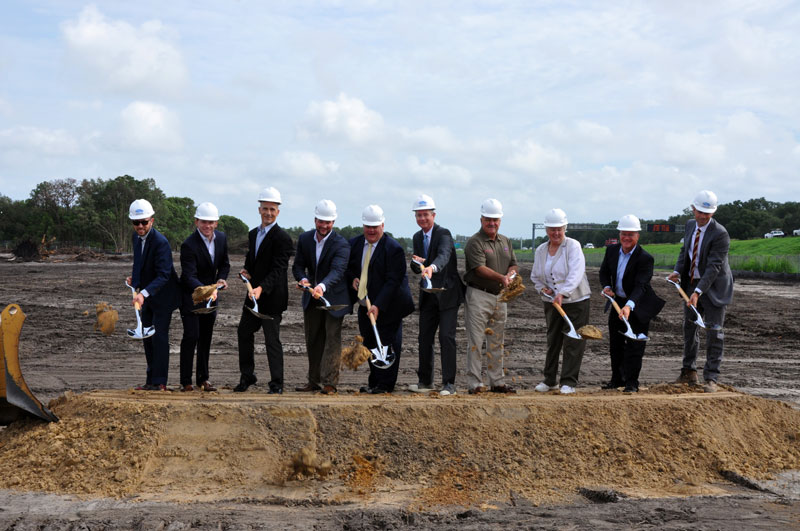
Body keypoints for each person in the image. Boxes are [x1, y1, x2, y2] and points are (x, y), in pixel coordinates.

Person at [667, 190, 733, 393]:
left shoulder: (720, 234)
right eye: (700, 211)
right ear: (693, 209)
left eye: (708, 212)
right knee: (689, 328)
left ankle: (711, 377)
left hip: (714, 288)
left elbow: (714, 267)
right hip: (691, 284)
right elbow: (684, 251)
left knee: (714, 332)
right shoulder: (689, 225)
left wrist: (698, 292)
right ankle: (689, 371)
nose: (703, 216)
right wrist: (678, 271)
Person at [346, 204, 414, 394]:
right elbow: (349, 268)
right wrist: (353, 279)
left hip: (389, 306)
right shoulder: (355, 244)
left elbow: (393, 281)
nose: (371, 230)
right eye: (368, 226)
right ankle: (374, 381)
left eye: (375, 226)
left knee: (387, 344)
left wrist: (378, 305)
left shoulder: (394, 249)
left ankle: (386, 385)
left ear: (382, 225)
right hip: (364, 306)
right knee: (370, 344)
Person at [234, 187, 294, 394]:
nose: (268, 213)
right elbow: (253, 259)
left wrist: (261, 287)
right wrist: (247, 270)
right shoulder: (253, 234)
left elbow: (279, 270)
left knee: (272, 341)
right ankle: (247, 376)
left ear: (278, 212)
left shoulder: (283, 239)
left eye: (272, 209)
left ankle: (277, 383)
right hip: (253, 296)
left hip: (271, 298)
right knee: (243, 332)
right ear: (259, 209)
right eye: (265, 208)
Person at [598, 215, 665, 393]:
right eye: (623, 234)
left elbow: (641, 285)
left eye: (631, 235)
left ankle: (632, 382)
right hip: (617, 302)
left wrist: (629, 306)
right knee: (616, 344)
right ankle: (616, 379)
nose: (626, 238)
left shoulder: (645, 258)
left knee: (635, 345)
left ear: (638, 236)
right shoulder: (611, 251)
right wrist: (606, 286)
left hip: (638, 305)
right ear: (619, 234)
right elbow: (604, 272)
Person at [292, 199, 351, 395]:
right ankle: (313, 380)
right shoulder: (305, 239)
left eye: (328, 222)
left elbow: (338, 270)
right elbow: (298, 265)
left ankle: (330, 383)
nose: (324, 225)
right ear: (315, 219)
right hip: (311, 297)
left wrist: (322, 286)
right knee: (313, 339)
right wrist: (302, 279)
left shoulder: (341, 244)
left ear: (333, 222)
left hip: (334, 297)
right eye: (321, 221)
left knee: (331, 340)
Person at [408, 194, 464, 396]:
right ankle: (425, 382)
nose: (422, 219)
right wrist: (417, 264)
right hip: (428, 294)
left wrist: (432, 267)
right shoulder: (416, 237)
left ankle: (449, 384)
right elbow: (417, 267)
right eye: (418, 215)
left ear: (433, 215)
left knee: (446, 337)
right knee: (424, 337)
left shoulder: (444, 234)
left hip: (447, 293)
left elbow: (444, 255)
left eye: (425, 215)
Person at [530, 208, 591, 395]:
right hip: (552, 302)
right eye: (552, 229)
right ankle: (549, 380)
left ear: (565, 228)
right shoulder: (541, 250)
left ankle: (568, 381)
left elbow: (576, 272)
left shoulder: (573, 246)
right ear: (547, 230)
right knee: (553, 339)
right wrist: (543, 289)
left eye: (559, 229)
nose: (556, 233)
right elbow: (536, 276)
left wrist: (563, 293)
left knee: (573, 340)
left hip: (576, 301)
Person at [463, 198, 519, 394]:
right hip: (479, 295)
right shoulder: (474, 242)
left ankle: (497, 382)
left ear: (500, 220)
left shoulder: (505, 241)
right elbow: (479, 269)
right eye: (488, 220)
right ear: (481, 219)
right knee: (476, 341)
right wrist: (502, 278)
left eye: (495, 220)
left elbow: (513, 263)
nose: (492, 223)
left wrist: (511, 275)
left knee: (497, 340)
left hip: (499, 297)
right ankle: (475, 383)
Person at [125, 199, 180, 391]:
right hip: (146, 296)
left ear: (152, 221)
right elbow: (138, 262)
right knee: (146, 336)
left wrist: (144, 294)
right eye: (136, 222)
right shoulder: (136, 237)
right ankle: (150, 380)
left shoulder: (161, 242)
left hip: (164, 296)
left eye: (144, 222)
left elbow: (164, 274)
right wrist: (136, 280)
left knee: (159, 337)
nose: (140, 226)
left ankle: (160, 382)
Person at [178, 202, 230, 392]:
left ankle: (203, 379)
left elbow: (224, 264)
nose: (207, 226)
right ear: (196, 222)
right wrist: (208, 289)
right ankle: (186, 381)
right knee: (191, 336)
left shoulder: (222, 239)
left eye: (211, 222)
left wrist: (221, 280)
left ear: (216, 223)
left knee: (206, 338)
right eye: (203, 222)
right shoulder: (188, 245)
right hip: (191, 297)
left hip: (211, 297)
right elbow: (189, 276)